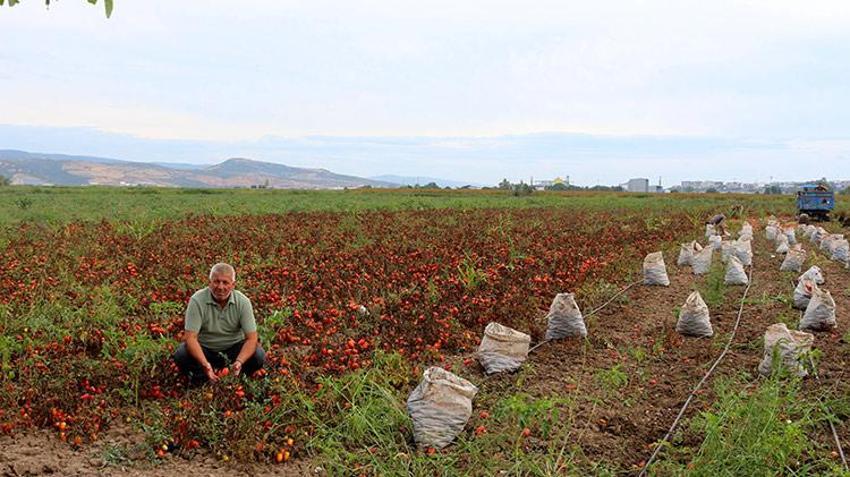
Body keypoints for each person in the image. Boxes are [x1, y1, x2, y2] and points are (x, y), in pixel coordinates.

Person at [173, 263, 265, 384]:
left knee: (258, 355)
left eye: (225, 282)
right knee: (181, 355)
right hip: (205, 349)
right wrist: (205, 364)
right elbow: (190, 338)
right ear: (209, 282)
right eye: (216, 281)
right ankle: (205, 379)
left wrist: (239, 362)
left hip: (233, 349)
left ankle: (236, 376)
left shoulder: (243, 302)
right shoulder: (197, 300)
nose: (220, 287)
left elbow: (252, 339)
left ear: (233, 285)